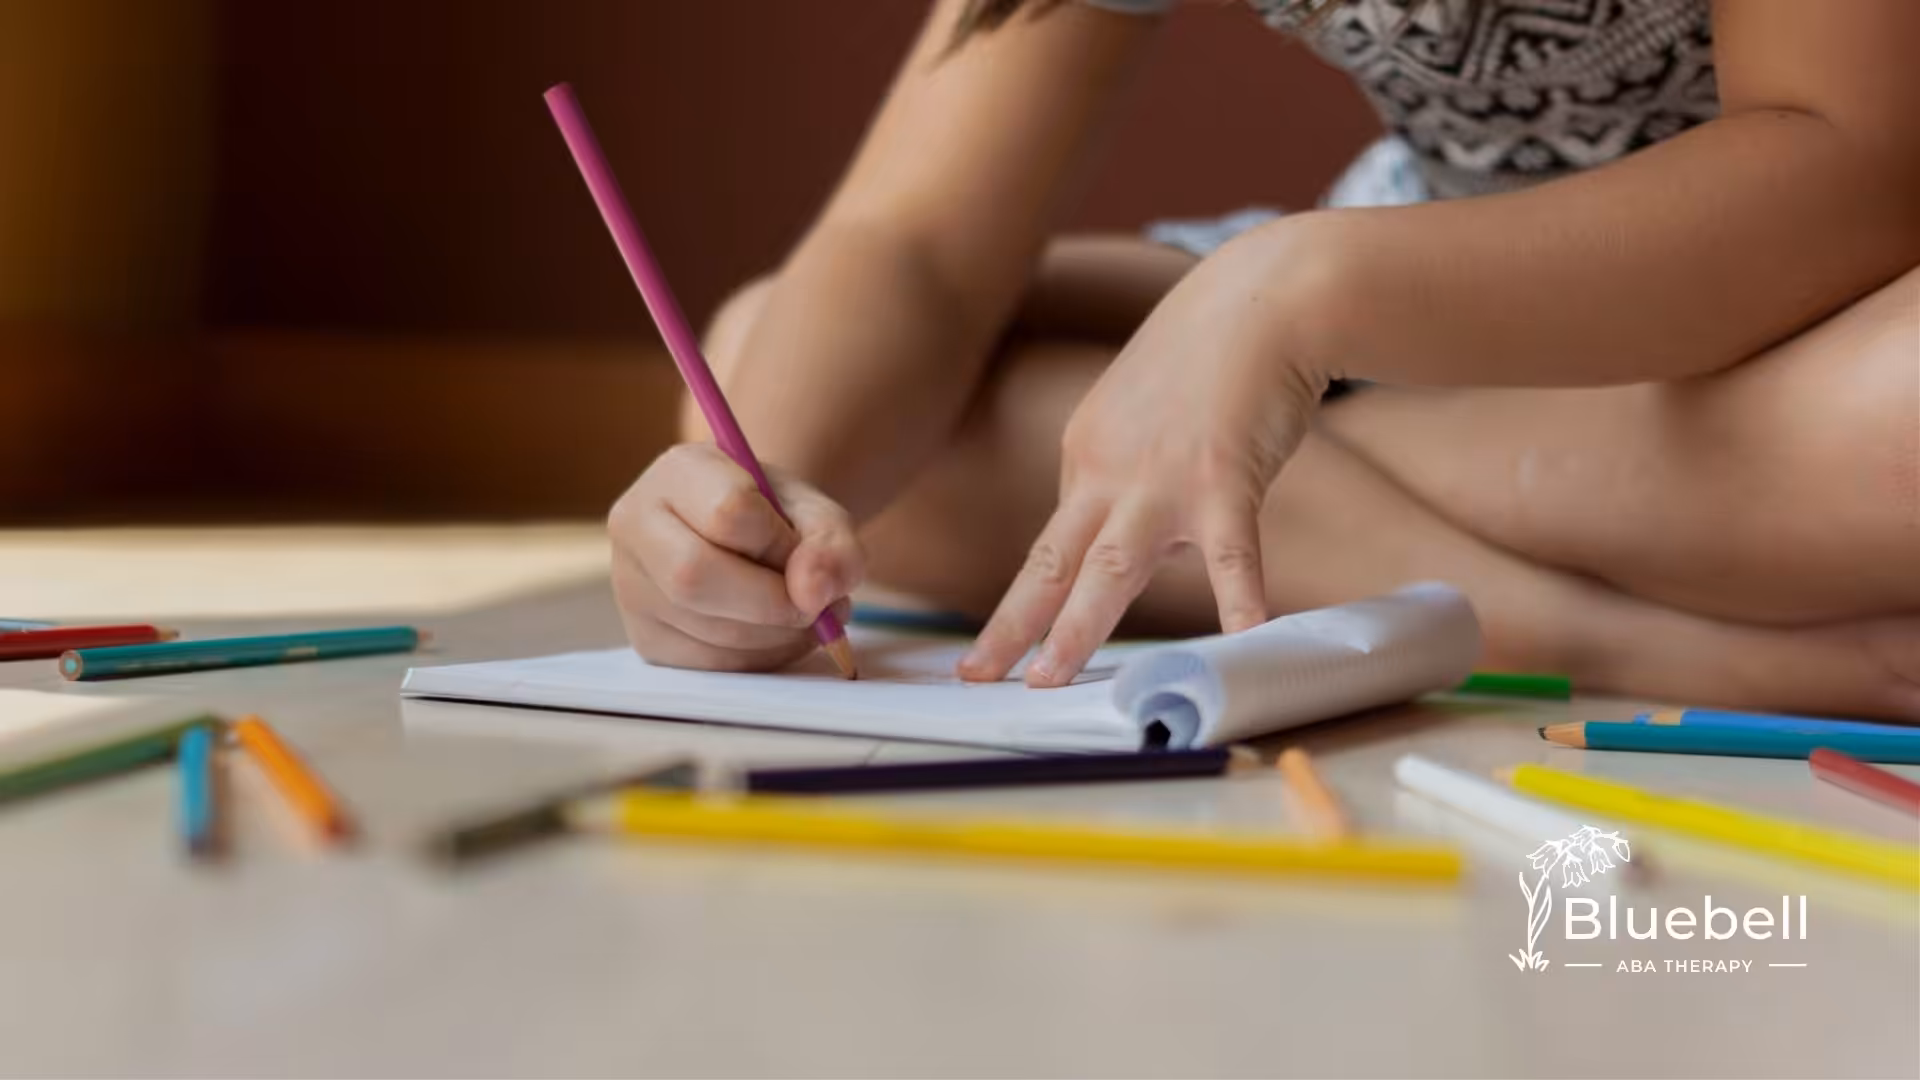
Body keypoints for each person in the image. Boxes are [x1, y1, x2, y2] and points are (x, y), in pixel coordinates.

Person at [607, 0, 1920, 720]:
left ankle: (1293, 463)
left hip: (1835, 307)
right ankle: (1636, 642)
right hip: (1432, 289)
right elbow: (914, 246)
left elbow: (1853, 167)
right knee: (763, 358)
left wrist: (1297, 294)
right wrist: (760, 515)